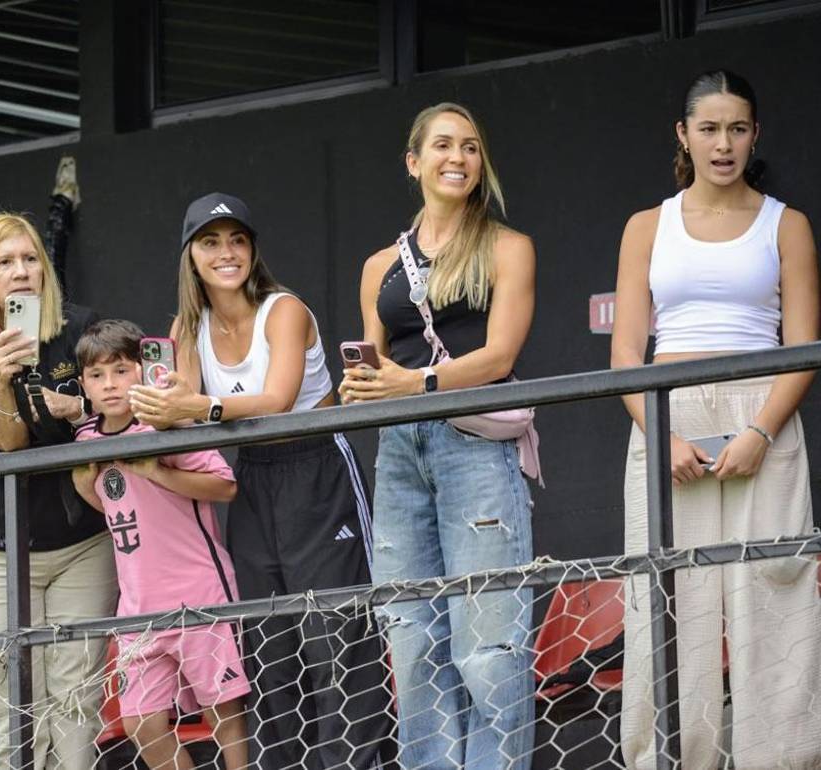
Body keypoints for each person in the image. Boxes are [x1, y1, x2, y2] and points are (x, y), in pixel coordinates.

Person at [128, 193, 391, 769]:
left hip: (318, 467)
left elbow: (276, 399)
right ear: (190, 255)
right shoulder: (187, 325)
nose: (227, 252)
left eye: (237, 239)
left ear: (253, 249)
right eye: (210, 241)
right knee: (272, 648)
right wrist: (150, 409)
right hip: (252, 475)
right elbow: (185, 417)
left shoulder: (285, 309)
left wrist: (197, 406)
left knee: (338, 641)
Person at [611, 70, 821, 769]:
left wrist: (760, 431)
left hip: (763, 411)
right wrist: (659, 430)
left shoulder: (786, 223)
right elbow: (624, 356)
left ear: (755, 134)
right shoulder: (647, 224)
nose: (723, 143)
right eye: (709, 128)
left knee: (774, 593)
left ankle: (783, 760)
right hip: (667, 409)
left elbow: (803, 350)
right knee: (670, 599)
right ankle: (667, 760)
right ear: (684, 135)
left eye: (737, 128)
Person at [340, 102, 537, 768]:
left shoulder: (506, 246)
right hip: (398, 448)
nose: (458, 157)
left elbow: (501, 356)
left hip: (474, 445)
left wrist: (414, 385)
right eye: (444, 145)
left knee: (486, 641)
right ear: (414, 161)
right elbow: (375, 360)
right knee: (412, 637)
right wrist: (364, 386)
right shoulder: (379, 267)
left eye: (472, 147)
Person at [0, 212, 116, 770]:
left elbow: (120, 404)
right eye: (4, 262)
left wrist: (80, 405)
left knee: (77, 695)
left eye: (30, 258)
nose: (20, 272)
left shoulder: (79, 325)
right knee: (14, 700)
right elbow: (7, 442)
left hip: (80, 538)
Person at [71, 319, 249, 770]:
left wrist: (157, 471)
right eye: (97, 375)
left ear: (143, 371)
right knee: (140, 724)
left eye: (121, 370)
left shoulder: (165, 422)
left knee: (222, 711)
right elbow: (104, 500)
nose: (110, 384)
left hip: (197, 593)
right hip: (138, 608)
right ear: (83, 386)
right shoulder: (85, 439)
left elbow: (224, 486)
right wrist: (82, 473)